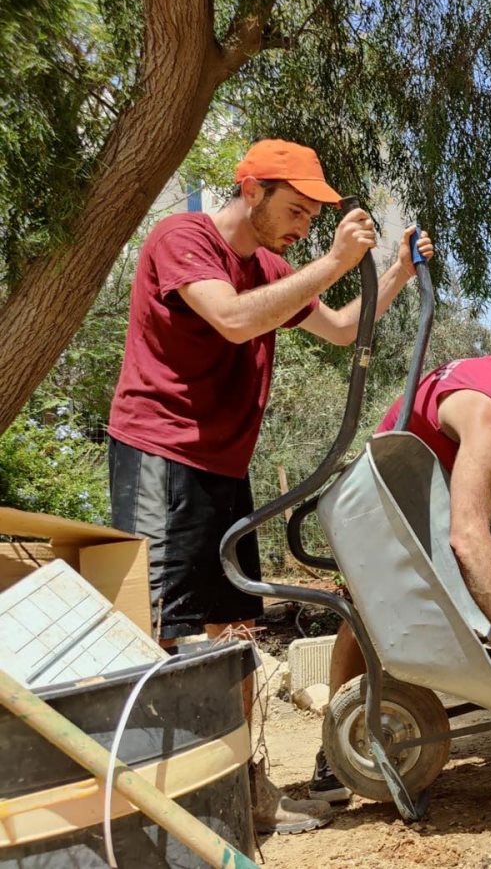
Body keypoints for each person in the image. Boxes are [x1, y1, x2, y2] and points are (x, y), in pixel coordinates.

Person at [107, 139, 433, 834]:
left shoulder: (275, 267)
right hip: (162, 454)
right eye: (294, 209)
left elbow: (344, 330)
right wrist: (334, 262)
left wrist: (393, 270)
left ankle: (245, 793)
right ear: (250, 188)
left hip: (224, 466)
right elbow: (232, 319)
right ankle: (162, 808)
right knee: (164, 634)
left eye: (314, 217)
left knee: (232, 629)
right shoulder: (182, 238)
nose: (303, 226)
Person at [310, 347, 491, 802]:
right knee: (364, 606)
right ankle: (333, 749)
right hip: (397, 484)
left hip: (463, 466)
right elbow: (465, 536)